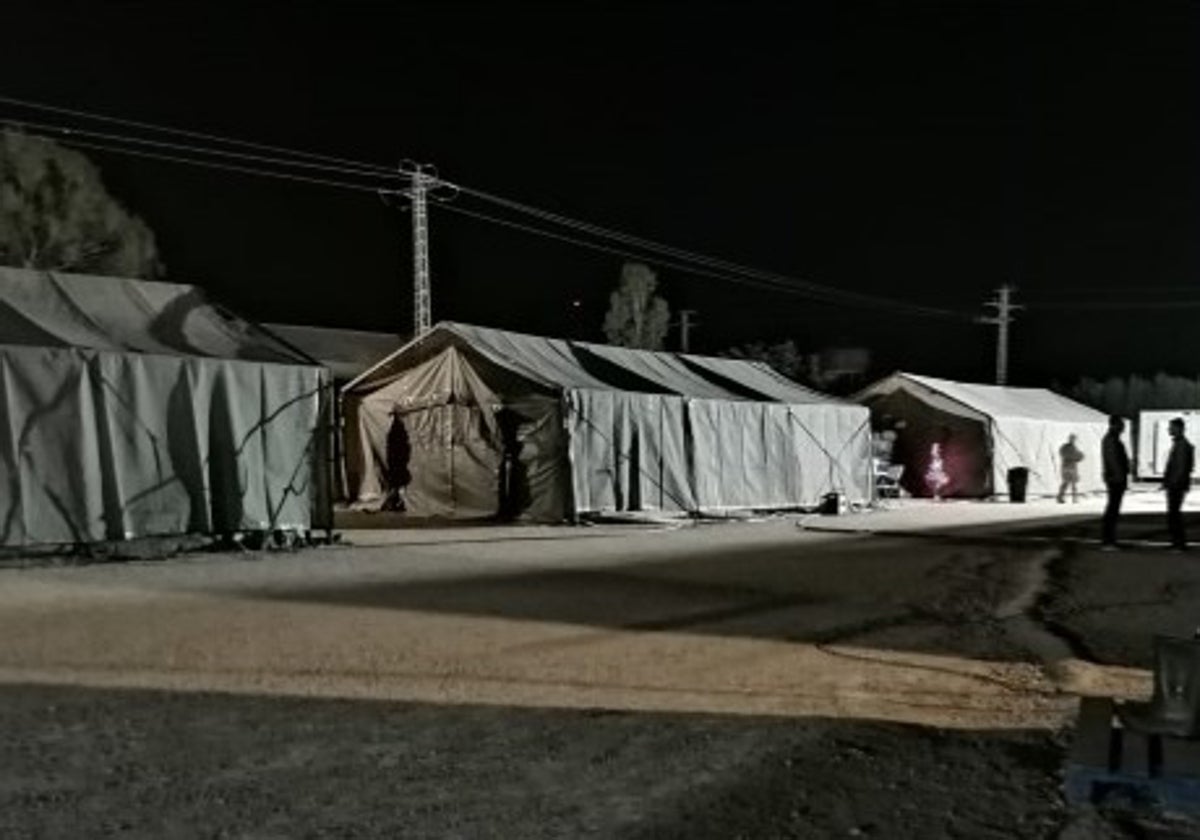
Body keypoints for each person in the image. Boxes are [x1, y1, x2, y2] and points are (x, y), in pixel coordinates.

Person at [1163, 417, 1195, 551]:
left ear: (1179, 428)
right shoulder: (1181, 444)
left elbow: (1180, 468)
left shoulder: (1181, 445)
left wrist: (1172, 482)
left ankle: (1178, 543)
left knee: (1174, 514)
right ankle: (1177, 542)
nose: (1169, 429)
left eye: (1172, 427)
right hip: (1178, 484)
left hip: (1176, 485)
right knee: (1174, 513)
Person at [1101, 415, 1130, 550]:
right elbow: (1113, 461)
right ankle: (1108, 541)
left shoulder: (1112, 439)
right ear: (1114, 425)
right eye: (1121, 425)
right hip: (1115, 479)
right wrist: (1120, 477)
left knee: (1112, 509)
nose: (1123, 428)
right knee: (1112, 509)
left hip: (1115, 478)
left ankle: (1109, 539)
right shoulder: (1111, 441)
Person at [1058, 433, 1084, 504]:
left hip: (1066, 466)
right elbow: (1078, 456)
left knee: (1067, 482)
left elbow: (1077, 456)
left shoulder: (1065, 447)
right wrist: (1078, 457)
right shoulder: (1072, 448)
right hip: (1071, 466)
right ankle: (1073, 498)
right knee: (1071, 483)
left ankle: (1061, 497)